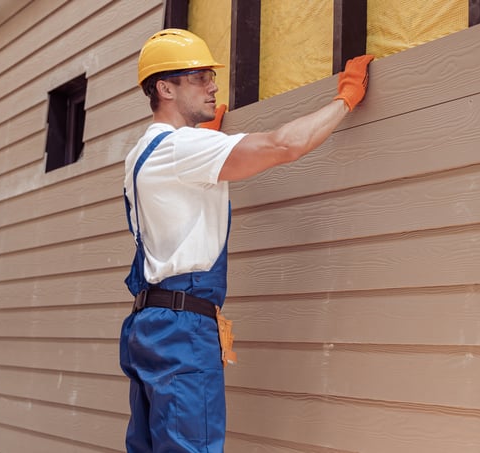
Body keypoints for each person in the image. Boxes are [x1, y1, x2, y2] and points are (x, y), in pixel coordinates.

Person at [118, 28, 373, 452]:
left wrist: (211, 140)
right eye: (199, 77)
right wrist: (344, 99)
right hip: (183, 327)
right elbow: (283, 145)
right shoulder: (182, 148)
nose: (213, 85)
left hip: (149, 323)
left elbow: (183, 186)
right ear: (165, 87)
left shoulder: (142, 153)